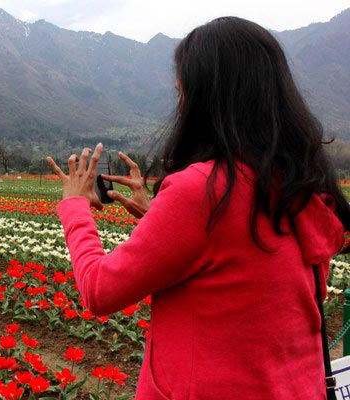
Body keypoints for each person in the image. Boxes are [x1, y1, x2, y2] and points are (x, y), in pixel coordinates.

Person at [47, 17, 350, 400]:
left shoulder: (203, 192)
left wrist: (75, 206)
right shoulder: (302, 184)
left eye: (181, 91)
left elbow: (99, 290)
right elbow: (249, 273)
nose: (180, 103)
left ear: (207, 97)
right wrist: (159, 213)